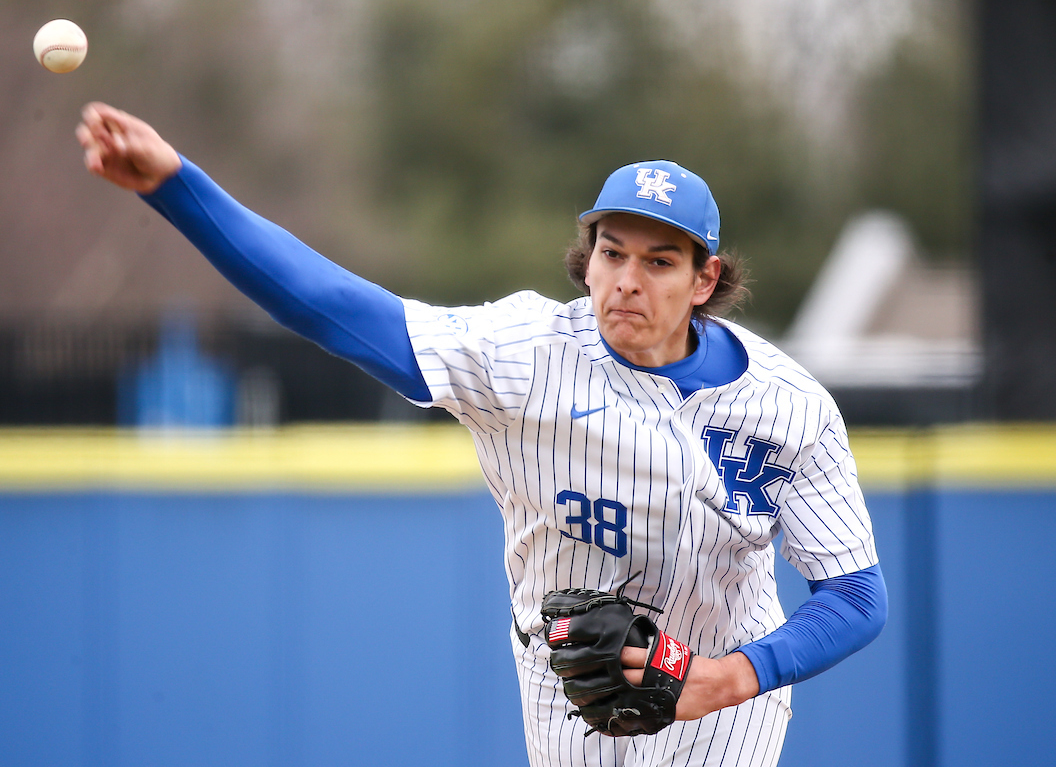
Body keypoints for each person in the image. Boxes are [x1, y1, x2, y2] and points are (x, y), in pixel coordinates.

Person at [76, 102, 887, 767]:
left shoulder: (789, 406)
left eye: (659, 261)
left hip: (726, 698)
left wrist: (735, 675)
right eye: (611, 253)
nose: (626, 281)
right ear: (587, 259)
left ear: (705, 278)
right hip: (568, 686)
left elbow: (856, 595)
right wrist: (177, 188)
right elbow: (330, 304)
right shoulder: (522, 355)